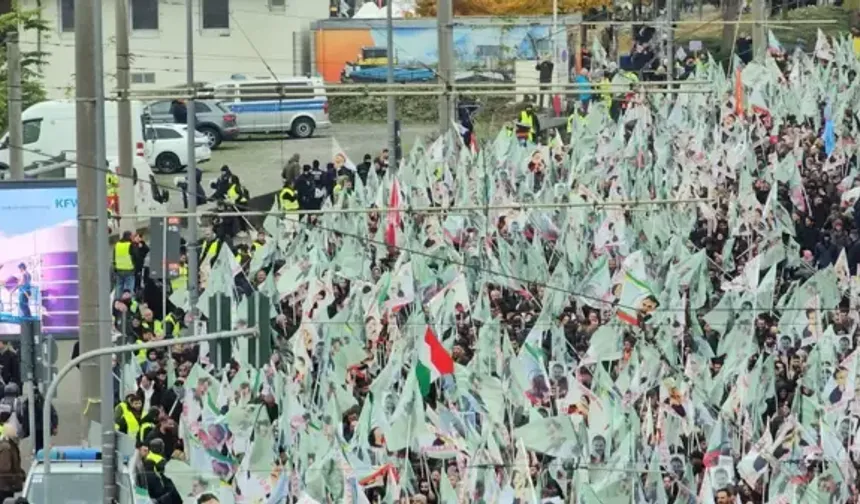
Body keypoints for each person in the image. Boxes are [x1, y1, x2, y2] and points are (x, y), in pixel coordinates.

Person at [0, 424, 25, 502]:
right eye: (15, 432)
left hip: (6, 486)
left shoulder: (11, 445)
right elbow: (5, 468)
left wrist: (21, 473)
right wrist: (17, 477)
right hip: (4, 486)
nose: (17, 434)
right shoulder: (6, 448)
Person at [114, 231, 136, 298]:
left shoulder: (117, 245)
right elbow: (135, 256)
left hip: (119, 269)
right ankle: (128, 304)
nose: (133, 238)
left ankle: (117, 303)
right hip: (129, 270)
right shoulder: (130, 245)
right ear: (129, 236)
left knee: (119, 287)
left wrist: (115, 267)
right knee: (129, 289)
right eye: (132, 236)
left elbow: (114, 257)